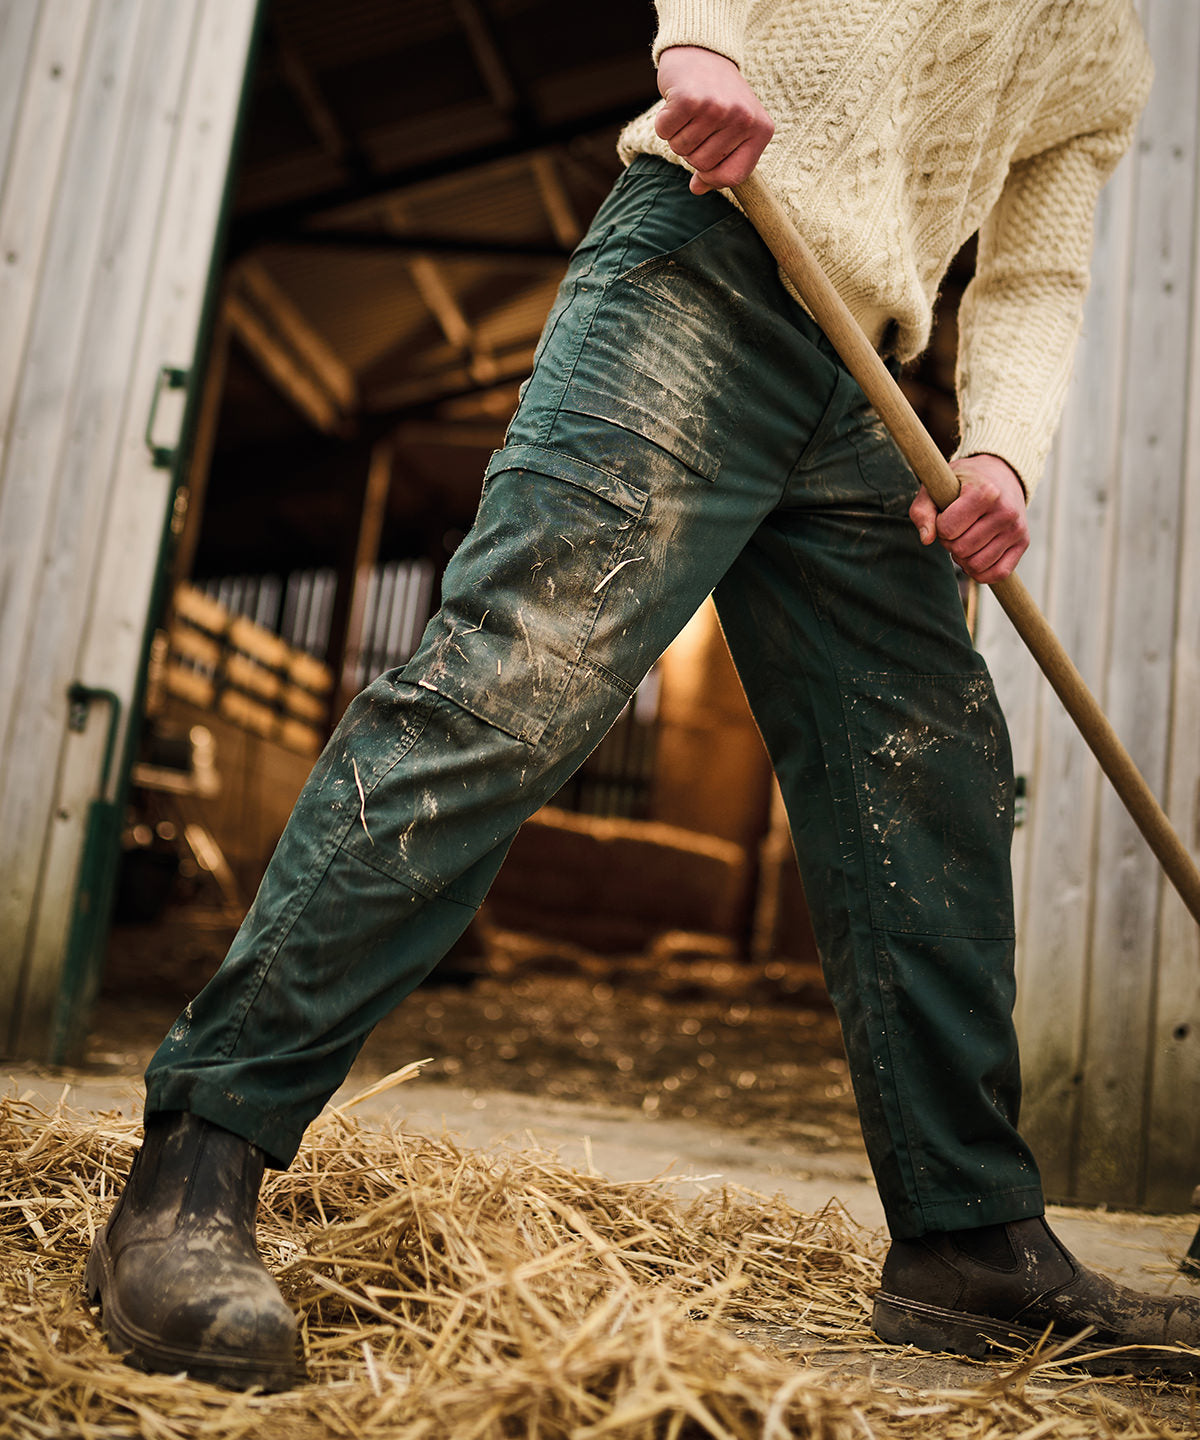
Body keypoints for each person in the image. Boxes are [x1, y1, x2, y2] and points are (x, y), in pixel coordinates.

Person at [85, 0, 1200, 1393]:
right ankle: (200, 1159)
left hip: (863, 375)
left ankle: (973, 1242)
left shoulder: (1107, 47)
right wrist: (702, 38)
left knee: (930, 775)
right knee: (514, 690)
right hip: (704, 262)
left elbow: (1037, 273)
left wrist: (1004, 457)